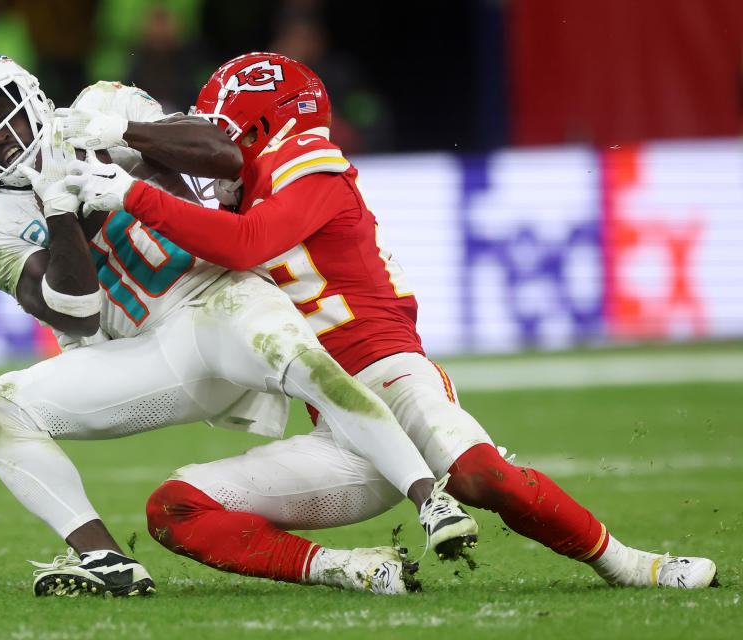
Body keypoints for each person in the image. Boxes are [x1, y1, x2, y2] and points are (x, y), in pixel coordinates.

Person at [63, 52, 719, 590]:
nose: (211, 147)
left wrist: (133, 192)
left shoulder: (309, 164)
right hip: (342, 431)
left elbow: (246, 243)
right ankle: (349, 570)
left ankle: (632, 564)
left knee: (479, 476)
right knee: (174, 508)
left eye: (220, 129)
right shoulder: (243, 200)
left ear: (259, 123)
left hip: (394, 381)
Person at [0, 52, 474, 598]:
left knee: (308, 367)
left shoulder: (101, 107)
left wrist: (123, 132)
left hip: (221, 297)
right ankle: (105, 559)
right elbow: (75, 310)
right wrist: (59, 210)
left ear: (30, 94)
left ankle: (431, 499)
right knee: (0, 411)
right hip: (151, 356)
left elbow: (224, 156)